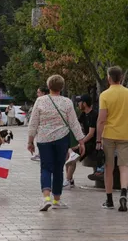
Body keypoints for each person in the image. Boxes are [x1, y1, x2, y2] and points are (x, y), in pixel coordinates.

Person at [27, 75, 85, 211]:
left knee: (46, 167)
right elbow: (74, 123)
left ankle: (46, 198)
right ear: (62, 87)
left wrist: (30, 141)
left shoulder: (40, 101)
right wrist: (81, 141)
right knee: (58, 169)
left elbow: (33, 122)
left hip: (44, 139)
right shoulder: (67, 102)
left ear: (48, 87)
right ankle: (56, 200)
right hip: (61, 139)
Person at [96, 66, 128, 211]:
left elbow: (101, 119)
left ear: (109, 78)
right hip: (126, 134)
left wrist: (98, 139)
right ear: (121, 78)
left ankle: (109, 200)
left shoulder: (105, 95)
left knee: (109, 167)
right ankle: (123, 193)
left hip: (109, 135)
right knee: (124, 167)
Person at [63, 94, 98, 189]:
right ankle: (70, 180)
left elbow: (91, 134)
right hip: (85, 142)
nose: (78, 104)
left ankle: (67, 180)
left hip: (92, 143)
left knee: (73, 158)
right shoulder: (84, 114)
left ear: (85, 103)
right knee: (68, 155)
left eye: (80, 102)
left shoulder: (93, 115)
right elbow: (75, 125)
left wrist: (80, 144)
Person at [30, 86, 49, 162]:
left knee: (42, 141)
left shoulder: (40, 101)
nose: (37, 94)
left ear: (43, 93)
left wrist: (30, 140)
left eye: (38, 92)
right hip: (44, 126)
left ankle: (41, 155)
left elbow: (35, 117)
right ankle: (41, 154)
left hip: (44, 126)